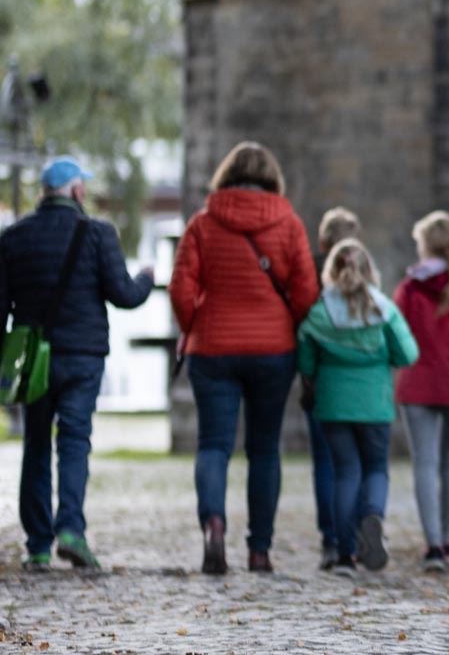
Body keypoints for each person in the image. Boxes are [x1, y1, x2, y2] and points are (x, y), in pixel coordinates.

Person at [0, 157, 155, 571]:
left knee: (36, 441)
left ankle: (38, 545)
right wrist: (146, 277)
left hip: (32, 361)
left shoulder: (15, 237)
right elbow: (124, 295)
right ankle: (71, 530)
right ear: (76, 191)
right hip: (82, 359)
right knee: (74, 440)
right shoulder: (98, 233)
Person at [169, 142, 319, 575]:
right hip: (273, 350)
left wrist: (192, 324)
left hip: (212, 348)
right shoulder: (289, 223)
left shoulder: (202, 223)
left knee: (213, 445)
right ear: (272, 178)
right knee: (265, 449)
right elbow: (306, 290)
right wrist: (288, 323)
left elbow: (180, 288)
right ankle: (259, 550)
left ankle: (214, 525)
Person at [298, 239, 419, 574]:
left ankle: (345, 554)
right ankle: (373, 516)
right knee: (376, 468)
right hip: (375, 404)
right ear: (369, 271)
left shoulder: (319, 313)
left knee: (345, 472)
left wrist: (315, 371)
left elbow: (305, 359)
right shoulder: (383, 309)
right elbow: (408, 354)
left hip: (333, 404)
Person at [394, 211, 449, 571]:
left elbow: (397, 332)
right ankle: (448, 538)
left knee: (425, 464)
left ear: (424, 245)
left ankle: (433, 547)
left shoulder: (410, 287)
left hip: (418, 381)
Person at [306, 205, 362, 569]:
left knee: (326, 463)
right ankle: (360, 528)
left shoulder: (309, 274)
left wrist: (305, 373)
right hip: (364, 388)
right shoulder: (366, 276)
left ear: (322, 241)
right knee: (362, 461)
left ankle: (332, 538)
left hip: (322, 383)